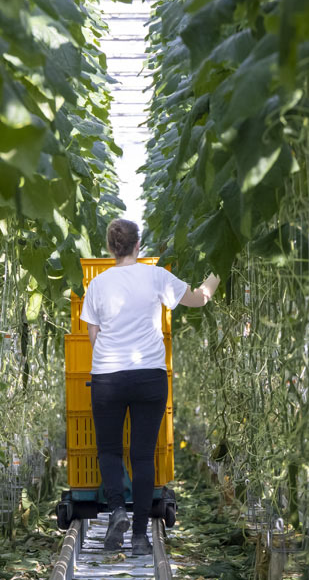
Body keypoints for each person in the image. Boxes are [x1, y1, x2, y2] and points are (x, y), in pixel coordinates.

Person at [80, 219, 220, 554]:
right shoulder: (156, 276)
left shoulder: (97, 284)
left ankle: (117, 510)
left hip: (108, 377)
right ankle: (140, 536)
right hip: (149, 376)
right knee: (143, 455)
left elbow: (93, 335)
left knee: (109, 451)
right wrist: (219, 270)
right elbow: (199, 299)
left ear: (111, 248)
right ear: (137, 245)